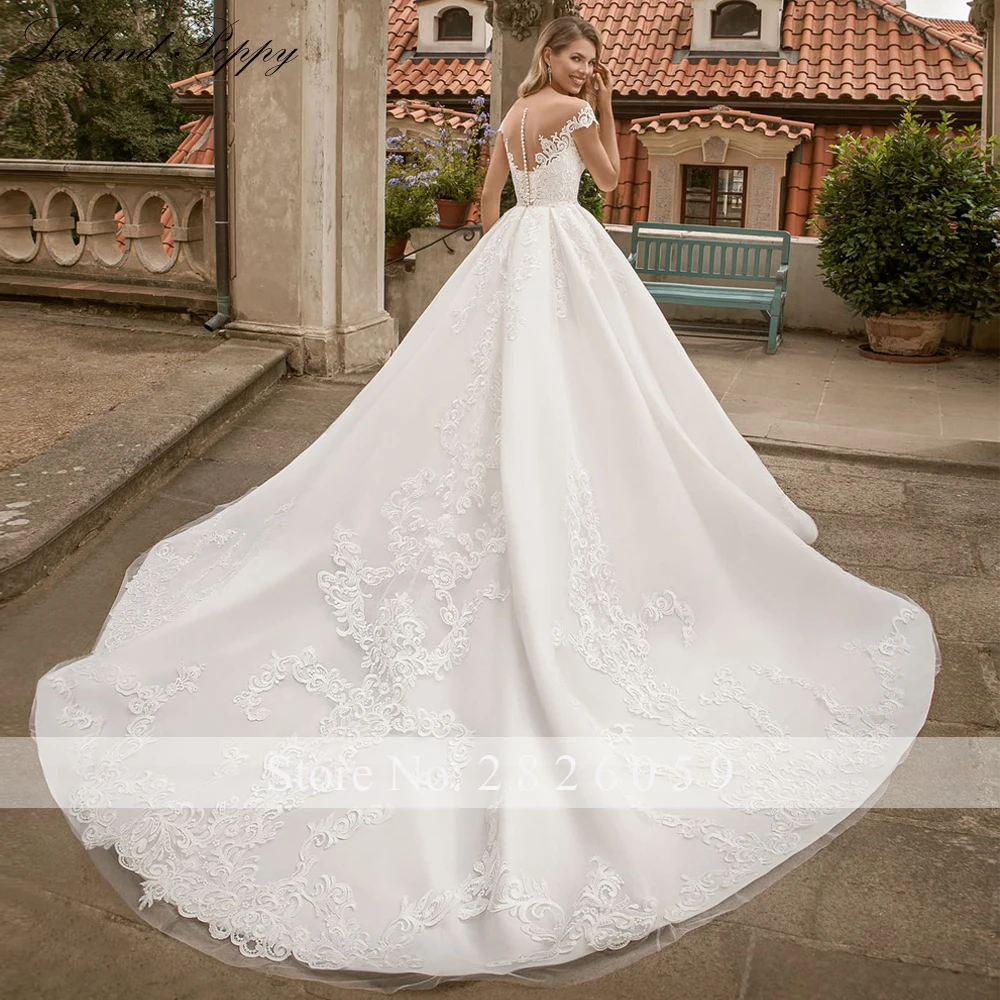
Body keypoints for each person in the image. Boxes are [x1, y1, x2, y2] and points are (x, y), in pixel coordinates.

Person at [30, 14, 939, 995]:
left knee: (505, 403)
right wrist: (606, 110)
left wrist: (544, 151)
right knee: (582, 404)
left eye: (592, 58)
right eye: (574, 55)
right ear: (550, 56)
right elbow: (614, 177)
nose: (584, 68)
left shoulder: (510, 113)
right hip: (566, 256)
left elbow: (486, 198)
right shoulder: (569, 109)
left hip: (511, 257)